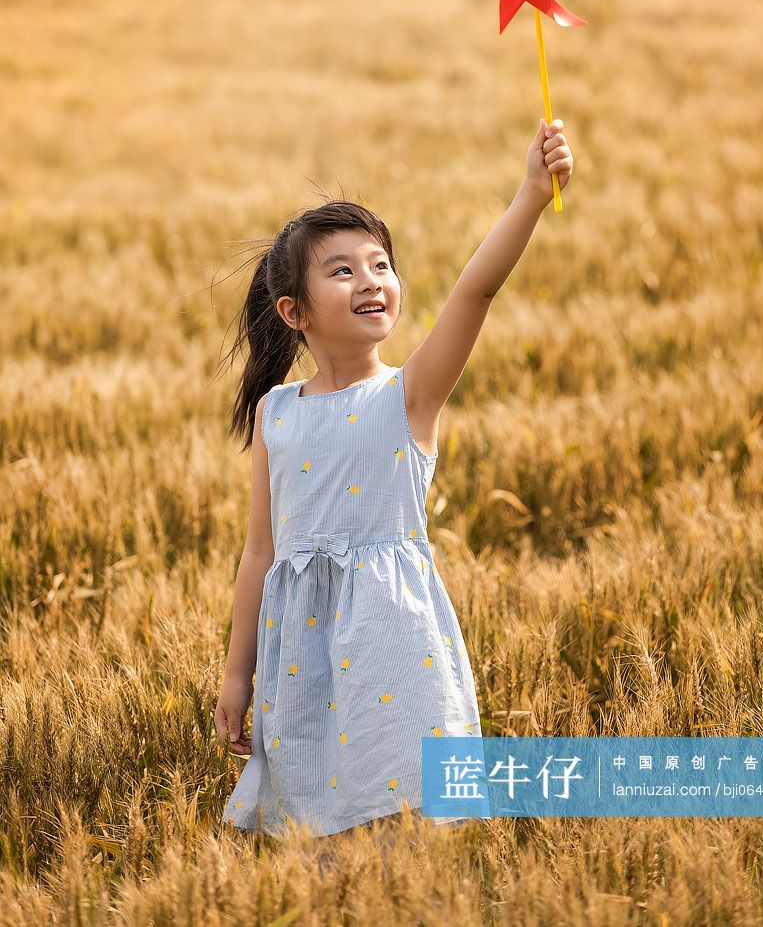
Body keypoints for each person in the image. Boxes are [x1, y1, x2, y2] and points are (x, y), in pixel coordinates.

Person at [214, 117, 574, 838]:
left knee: (400, 818)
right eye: (342, 270)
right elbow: (259, 552)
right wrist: (236, 673)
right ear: (294, 312)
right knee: (314, 825)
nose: (370, 279)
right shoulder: (276, 414)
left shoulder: (409, 396)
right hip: (300, 657)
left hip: (392, 641)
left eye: (380, 264)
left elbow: (474, 293)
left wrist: (530, 196)